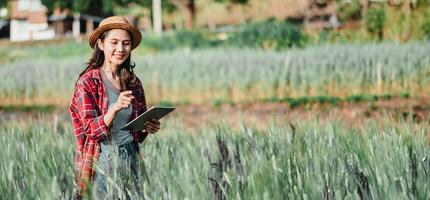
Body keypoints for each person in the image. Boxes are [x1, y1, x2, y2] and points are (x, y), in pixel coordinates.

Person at [69, 16, 160, 199]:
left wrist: (148, 127)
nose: (121, 49)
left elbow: (136, 130)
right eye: (114, 42)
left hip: (132, 155)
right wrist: (114, 108)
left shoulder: (133, 82)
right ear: (101, 44)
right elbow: (90, 130)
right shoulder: (88, 82)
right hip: (103, 158)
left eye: (126, 43)